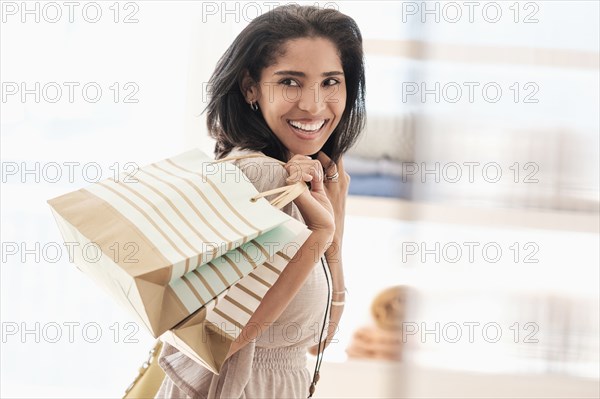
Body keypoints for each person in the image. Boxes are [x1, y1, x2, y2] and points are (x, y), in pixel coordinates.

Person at [156, 4, 365, 398]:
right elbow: (212, 341)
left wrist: (335, 216)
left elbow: (320, 338)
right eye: (290, 82)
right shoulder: (263, 178)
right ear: (250, 87)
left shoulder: (296, 182)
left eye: (330, 82)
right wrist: (319, 236)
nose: (313, 104)